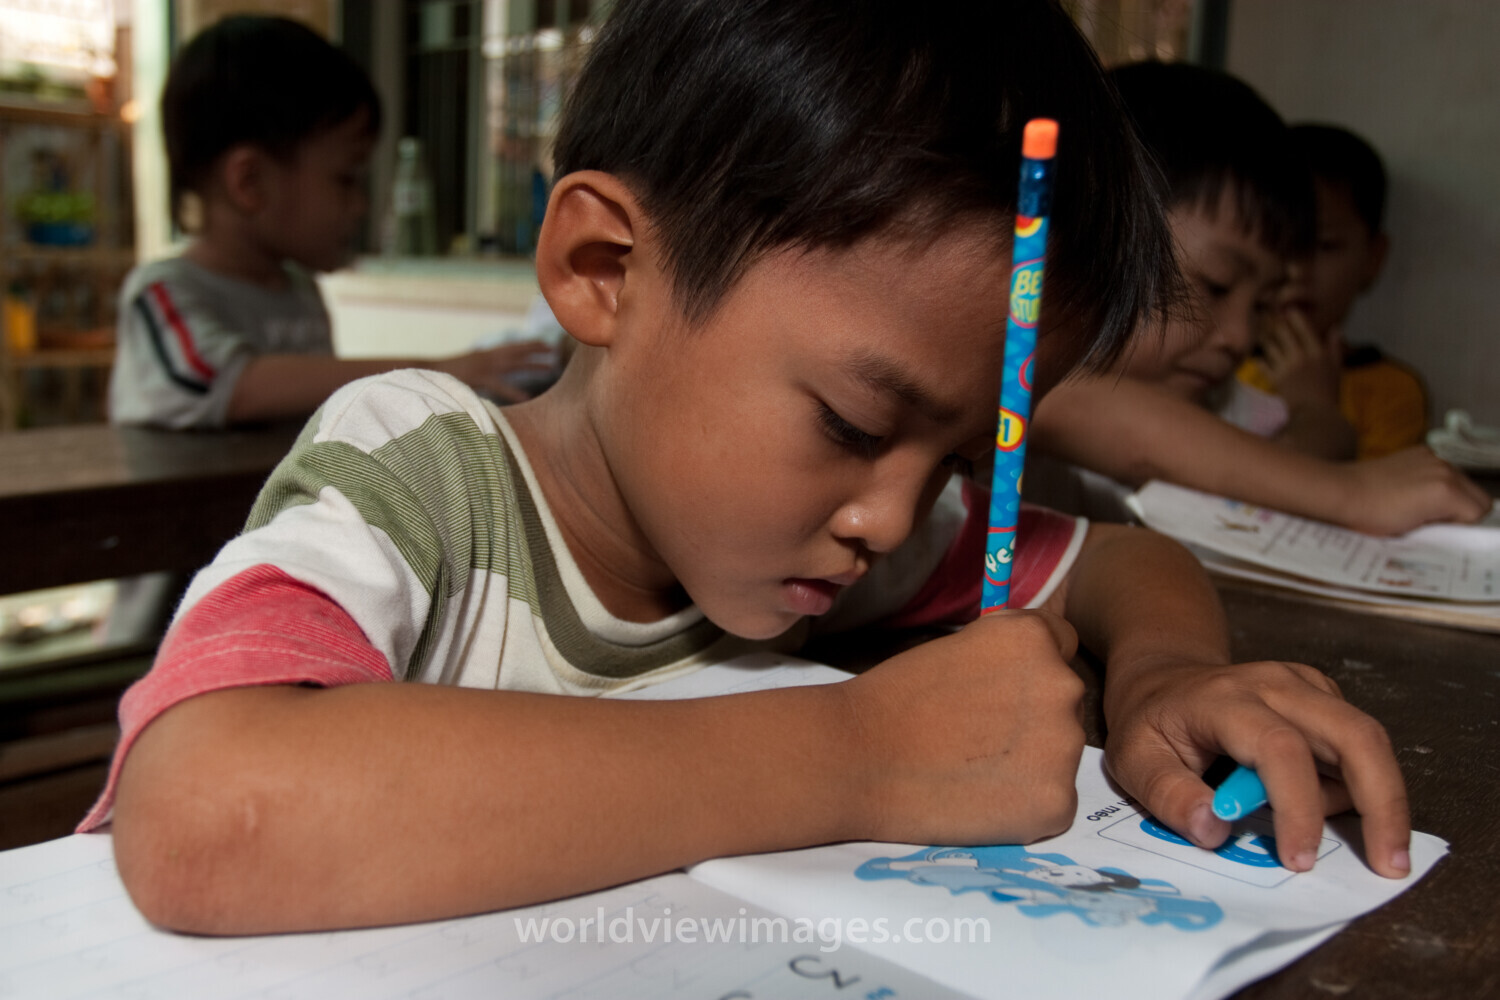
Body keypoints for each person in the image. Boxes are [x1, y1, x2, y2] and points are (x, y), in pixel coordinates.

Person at [92, 1, 1410, 936]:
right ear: (606, 272)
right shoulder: (420, 473)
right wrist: (854, 755)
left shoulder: (848, 535)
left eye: (959, 455)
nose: (895, 512)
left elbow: (1131, 559)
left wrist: (1167, 674)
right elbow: (213, 813)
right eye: (848, 422)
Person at [1028, 62, 1488, 535]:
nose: (1241, 335)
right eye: (1219, 285)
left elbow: (1300, 457)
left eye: (1264, 305)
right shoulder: (1026, 381)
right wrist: (1352, 493)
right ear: (1088, 242)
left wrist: (1317, 412)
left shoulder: (1220, 403)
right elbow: (1083, 412)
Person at [108, 15, 554, 430]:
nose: (359, 204)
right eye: (346, 179)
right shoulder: (162, 294)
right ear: (250, 182)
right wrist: (436, 374)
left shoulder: (300, 290)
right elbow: (227, 386)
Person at [1237, 124, 1429, 459]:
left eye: (1324, 246)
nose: (1297, 271)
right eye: (1279, 242)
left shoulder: (1391, 391)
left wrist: (1315, 405)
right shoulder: (1216, 366)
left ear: (1373, 257)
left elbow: (1375, 502)